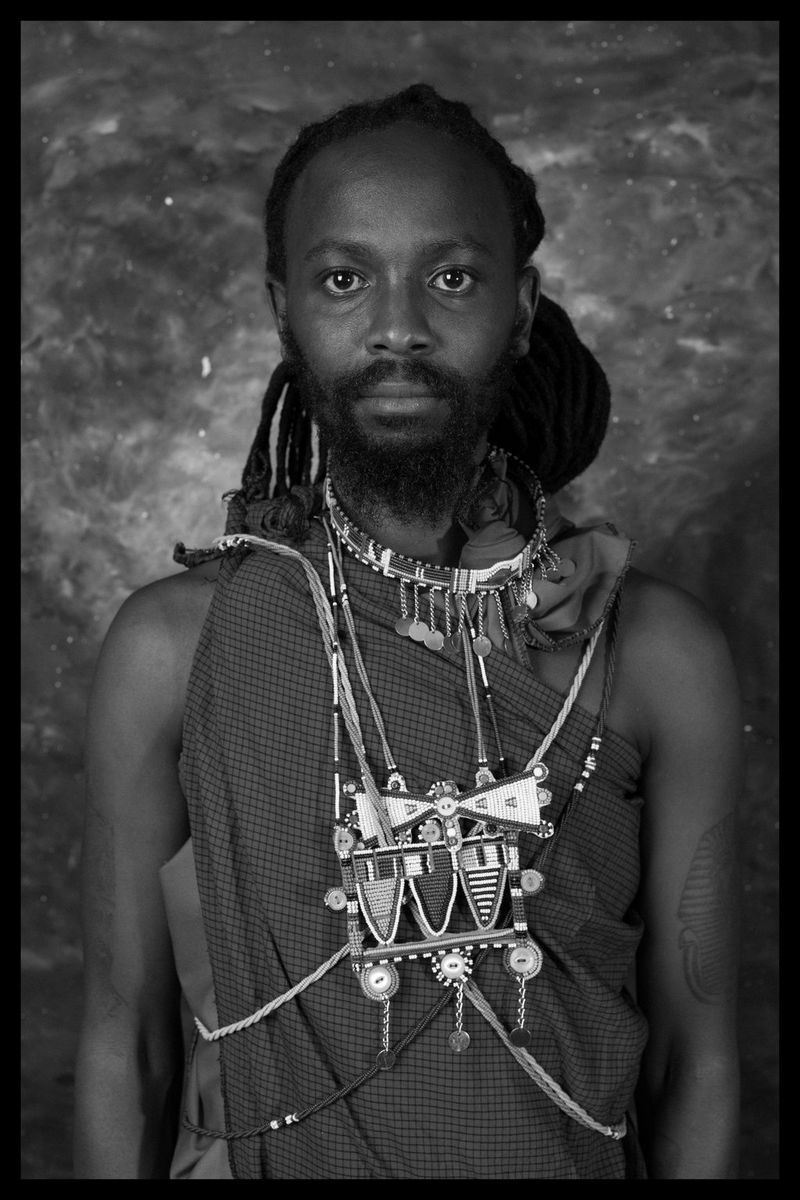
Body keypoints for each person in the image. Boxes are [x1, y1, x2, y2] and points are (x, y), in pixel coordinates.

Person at [73, 84, 741, 1180]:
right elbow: (123, 1046)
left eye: (451, 277)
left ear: (519, 307)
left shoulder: (655, 653)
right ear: (281, 307)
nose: (396, 324)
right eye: (344, 279)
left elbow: (695, 1061)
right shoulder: (174, 649)